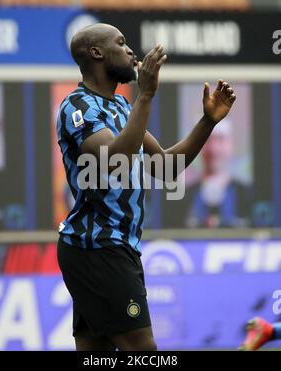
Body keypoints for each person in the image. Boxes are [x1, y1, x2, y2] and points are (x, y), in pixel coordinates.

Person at [56, 23, 236, 351]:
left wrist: (208, 121)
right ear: (97, 53)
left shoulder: (123, 108)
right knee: (143, 350)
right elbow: (113, 158)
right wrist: (147, 94)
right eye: (121, 43)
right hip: (96, 249)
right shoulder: (77, 107)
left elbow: (166, 167)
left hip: (117, 248)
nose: (130, 51)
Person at [182, 119, 252, 228]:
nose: (213, 148)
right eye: (206, 140)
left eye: (220, 139)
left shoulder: (248, 196)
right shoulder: (184, 198)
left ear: (231, 144)